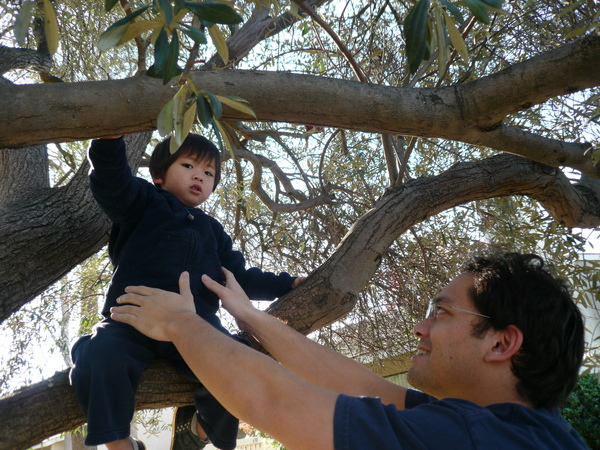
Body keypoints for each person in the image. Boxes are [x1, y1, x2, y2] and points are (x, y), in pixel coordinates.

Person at [110, 253, 589, 449]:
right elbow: (362, 385)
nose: (420, 328)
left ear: (502, 342)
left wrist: (180, 323)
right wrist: (251, 316)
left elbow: (275, 402)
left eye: (441, 313)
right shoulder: (519, 429)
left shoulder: (473, 440)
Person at [69, 134, 303, 450]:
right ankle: (120, 444)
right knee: (99, 354)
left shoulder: (213, 232)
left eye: (208, 173)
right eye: (189, 165)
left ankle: (197, 432)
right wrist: (108, 140)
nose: (199, 176)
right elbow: (111, 181)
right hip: (132, 318)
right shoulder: (143, 202)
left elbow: (240, 279)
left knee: (239, 358)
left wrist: (287, 285)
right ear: (159, 175)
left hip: (196, 328)